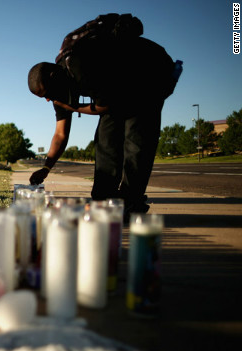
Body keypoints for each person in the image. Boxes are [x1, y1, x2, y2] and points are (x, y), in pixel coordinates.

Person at [27, 14, 180, 219]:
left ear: (55, 77)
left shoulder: (80, 67)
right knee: (106, 142)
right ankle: (103, 198)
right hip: (117, 89)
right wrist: (46, 168)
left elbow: (104, 106)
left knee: (136, 140)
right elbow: (60, 135)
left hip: (149, 72)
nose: (47, 100)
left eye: (46, 94)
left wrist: (74, 108)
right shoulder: (60, 91)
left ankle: (130, 201)